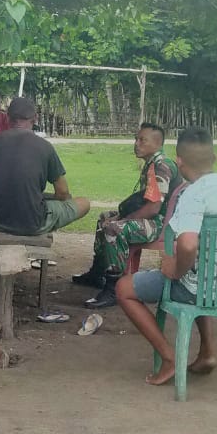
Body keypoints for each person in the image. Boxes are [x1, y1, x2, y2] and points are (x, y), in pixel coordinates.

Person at [116, 127, 217, 385]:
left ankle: (169, 358)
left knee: (124, 288)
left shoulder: (193, 194)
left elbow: (188, 245)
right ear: (213, 158)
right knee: (199, 271)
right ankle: (207, 352)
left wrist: (175, 270)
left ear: (178, 161)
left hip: (198, 286)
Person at [75, 122, 178, 309]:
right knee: (104, 217)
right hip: (154, 218)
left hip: (160, 224)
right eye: (136, 139)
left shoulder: (161, 166)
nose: (136, 144)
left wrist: (123, 219)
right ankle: (97, 272)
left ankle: (113, 288)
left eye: (142, 140)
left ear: (157, 143)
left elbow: (154, 208)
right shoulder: (153, 163)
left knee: (114, 228)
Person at [0, 97, 91, 236]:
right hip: (33, 224)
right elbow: (63, 193)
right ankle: (46, 225)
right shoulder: (45, 147)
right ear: (35, 118)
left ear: (7, 117)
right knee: (84, 203)